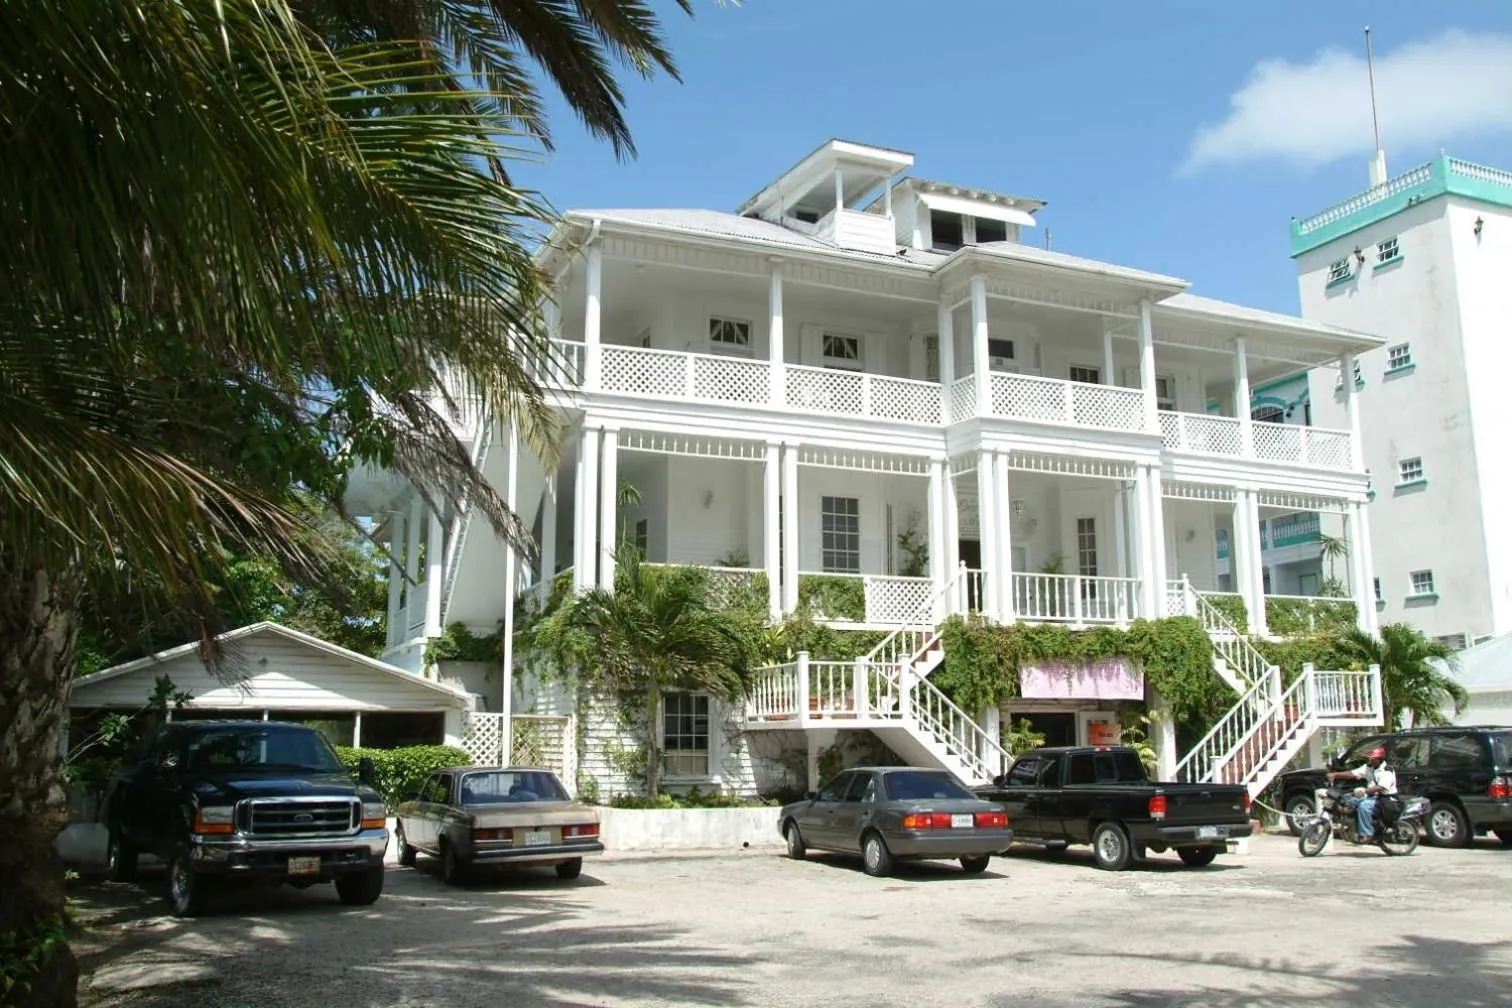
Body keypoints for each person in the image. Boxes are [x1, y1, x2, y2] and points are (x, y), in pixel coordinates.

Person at [1329, 745, 1397, 841]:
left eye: (1373, 759)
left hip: (1385, 799)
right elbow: (1352, 774)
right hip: (1371, 797)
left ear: (1379, 759)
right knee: (1347, 799)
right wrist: (1335, 775)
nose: (1371, 760)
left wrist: (1364, 791)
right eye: (1370, 758)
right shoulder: (1368, 767)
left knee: (1364, 806)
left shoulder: (1387, 770)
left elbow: (1381, 787)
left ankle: (1367, 834)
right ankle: (1351, 826)